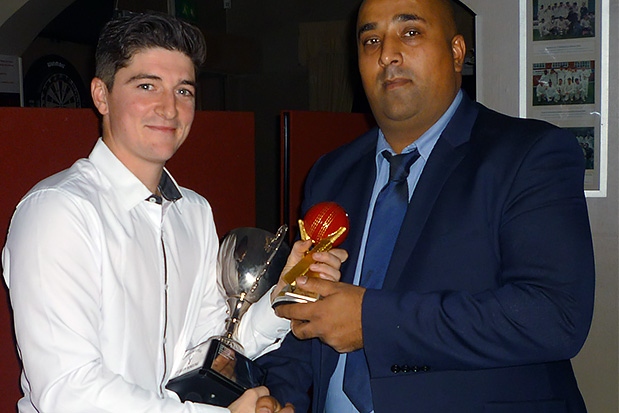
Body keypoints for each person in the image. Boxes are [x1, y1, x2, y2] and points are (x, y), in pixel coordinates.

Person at [257, 0, 595, 412]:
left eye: (410, 32)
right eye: (371, 40)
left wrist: (372, 321)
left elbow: (554, 316)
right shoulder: (331, 173)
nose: (387, 54)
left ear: (456, 52)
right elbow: (302, 308)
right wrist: (280, 395)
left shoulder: (528, 155)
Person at [2, 12, 346, 413]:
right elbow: (68, 390)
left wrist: (287, 294)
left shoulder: (193, 211)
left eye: (183, 91)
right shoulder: (59, 212)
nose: (169, 108)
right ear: (101, 95)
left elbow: (208, 351)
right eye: (147, 85)